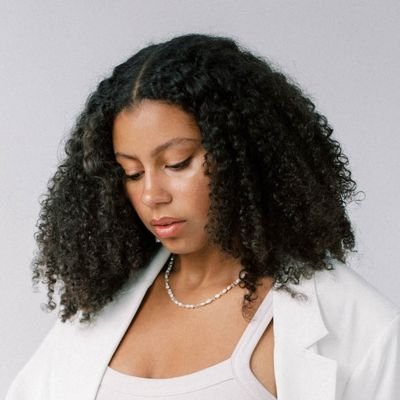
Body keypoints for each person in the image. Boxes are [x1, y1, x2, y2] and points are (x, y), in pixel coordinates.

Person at [6, 33, 400, 400]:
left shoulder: (364, 330)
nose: (151, 195)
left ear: (243, 154)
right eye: (132, 172)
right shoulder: (99, 308)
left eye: (177, 163)